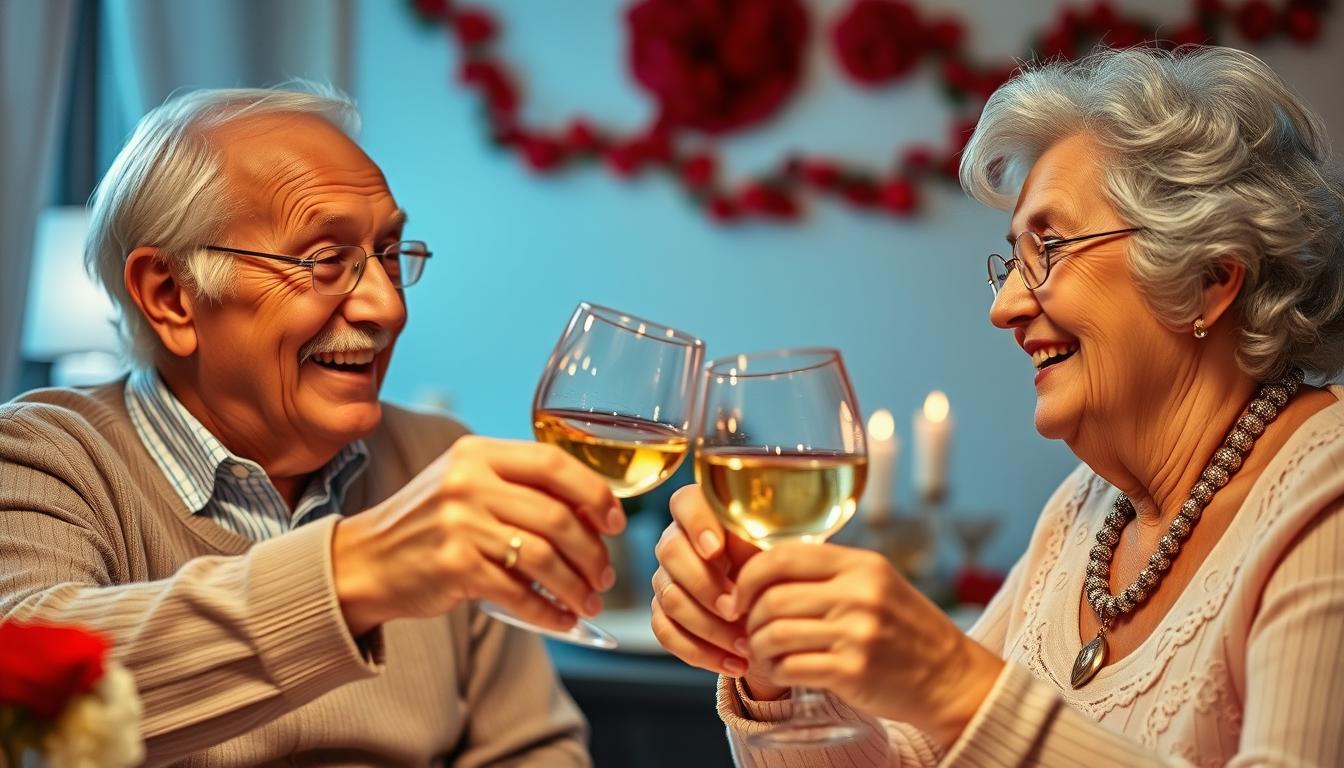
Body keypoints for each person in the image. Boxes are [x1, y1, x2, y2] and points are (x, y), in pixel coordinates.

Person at [651, 45, 1344, 765]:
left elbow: (964, 712)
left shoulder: (1325, 493)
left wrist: (954, 684)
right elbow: (915, 756)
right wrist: (774, 674)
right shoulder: (1086, 510)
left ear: (1209, 276)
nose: (1006, 305)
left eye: (1049, 246)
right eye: (1013, 258)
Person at [0, 85, 623, 765]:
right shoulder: (40, 458)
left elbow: (533, 748)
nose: (387, 307)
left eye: (389, 253)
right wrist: (362, 570)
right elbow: (25, 689)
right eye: (325, 261)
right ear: (170, 296)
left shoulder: (436, 457)